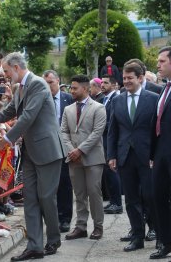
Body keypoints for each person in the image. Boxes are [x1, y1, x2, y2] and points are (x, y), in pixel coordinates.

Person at [0, 52, 65, 261]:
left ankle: (53, 238)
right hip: (31, 152)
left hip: (48, 151)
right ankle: (35, 246)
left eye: (6, 71)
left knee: (46, 198)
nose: (5, 76)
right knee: (31, 199)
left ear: (16, 67)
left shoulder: (37, 84)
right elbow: (7, 112)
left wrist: (6, 139)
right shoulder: (21, 88)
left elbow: (27, 117)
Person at [107, 62, 159, 252]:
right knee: (130, 199)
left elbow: (158, 130)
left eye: (130, 78)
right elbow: (113, 130)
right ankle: (137, 236)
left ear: (140, 78)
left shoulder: (153, 98)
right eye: (124, 78)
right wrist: (111, 155)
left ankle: (158, 233)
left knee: (151, 196)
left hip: (148, 156)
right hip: (125, 156)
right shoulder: (117, 100)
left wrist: (156, 154)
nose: (126, 81)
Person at [150, 46, 171, 261]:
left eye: (162, 61)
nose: (158, 65)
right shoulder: (166, 87)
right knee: (157, 197)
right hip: (161, 153)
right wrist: (153, 155)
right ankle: (168, 243)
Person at [61, 75, 106, 241]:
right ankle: (80, 227)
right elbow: (63, 131)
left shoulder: (99, 108)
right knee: (79, 194)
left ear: (85, 89)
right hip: (73, 159)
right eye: (71, 88)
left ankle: (98, 227)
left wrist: (80, 150)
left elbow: (97, 133)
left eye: (74, 88)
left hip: (93, 158)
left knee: (94, 193)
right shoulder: (68, 109)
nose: (71, 91)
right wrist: (71, 150)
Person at [43, 70, 73, 233]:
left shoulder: (68, 99)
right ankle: (51, 218)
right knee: (48, 186)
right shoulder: (40, 99)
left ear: (58, 81)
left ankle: (65, 218)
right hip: (46, 147)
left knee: (64, 183)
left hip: (64, 147)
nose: (48, 86)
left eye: (51, 82)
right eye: (45, 83)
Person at [100, 75, 123, 214]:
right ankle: (113, 201)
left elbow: (114, 122)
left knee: (112, 171)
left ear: (114, 85)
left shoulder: (115, 99)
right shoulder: (104, 99)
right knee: (108, 172)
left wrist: (98, 127)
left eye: (106, 83)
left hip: (111, 141)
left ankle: (117, 203)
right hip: (104, 140)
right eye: (101, 82)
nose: (102, 85)